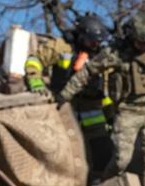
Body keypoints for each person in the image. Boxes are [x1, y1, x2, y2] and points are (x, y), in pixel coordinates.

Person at [59, 13, 145, 186]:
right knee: (121, 159)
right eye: (140, 43)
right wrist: (65, 95)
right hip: (128, 111)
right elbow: (88, 72)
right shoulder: (116, 53)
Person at [25, 12, 113, 176]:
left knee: (101, 148)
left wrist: (111, 114)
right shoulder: (61, 46)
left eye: (98, 41)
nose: (96, 44)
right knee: (63, 148)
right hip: (63, 105)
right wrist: (35, 81)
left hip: (92, 108)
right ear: (81, 36)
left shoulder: (103, 55)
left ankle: (98, 184)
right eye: (92, 40)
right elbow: (34, 60)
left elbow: (107, 87)